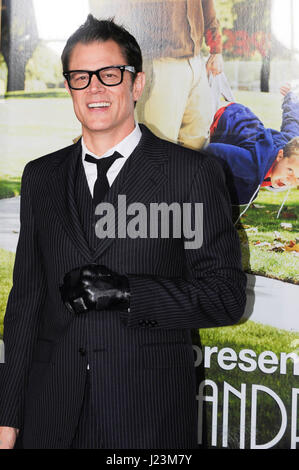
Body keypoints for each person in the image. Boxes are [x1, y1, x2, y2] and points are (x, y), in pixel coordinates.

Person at [0, 15, 246, 449]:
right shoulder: (40, 177)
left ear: (136, 84)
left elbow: (224, 296)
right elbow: (25, 305)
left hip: (145, 415)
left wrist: (130, 293)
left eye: (109, 75)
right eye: (81, 76)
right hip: (50, 412)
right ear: (69, 88)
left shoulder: (190, 175)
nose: (94, 88)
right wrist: (8, 416)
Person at [89, 0, 224, 149]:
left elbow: (207, 6)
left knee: (197, 143)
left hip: (195, 60)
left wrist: (216, 49)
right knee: (160, 145)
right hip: (160, 60)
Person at [206, 84, 299, 206]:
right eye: (290, 171)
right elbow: (212, 150)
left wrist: (290, 97)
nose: (291, 181)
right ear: (280, 155)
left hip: (243, 117)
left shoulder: (291, 145)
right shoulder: (251, 165)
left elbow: (293, 121)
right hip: (221, 117)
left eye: (298, 178)